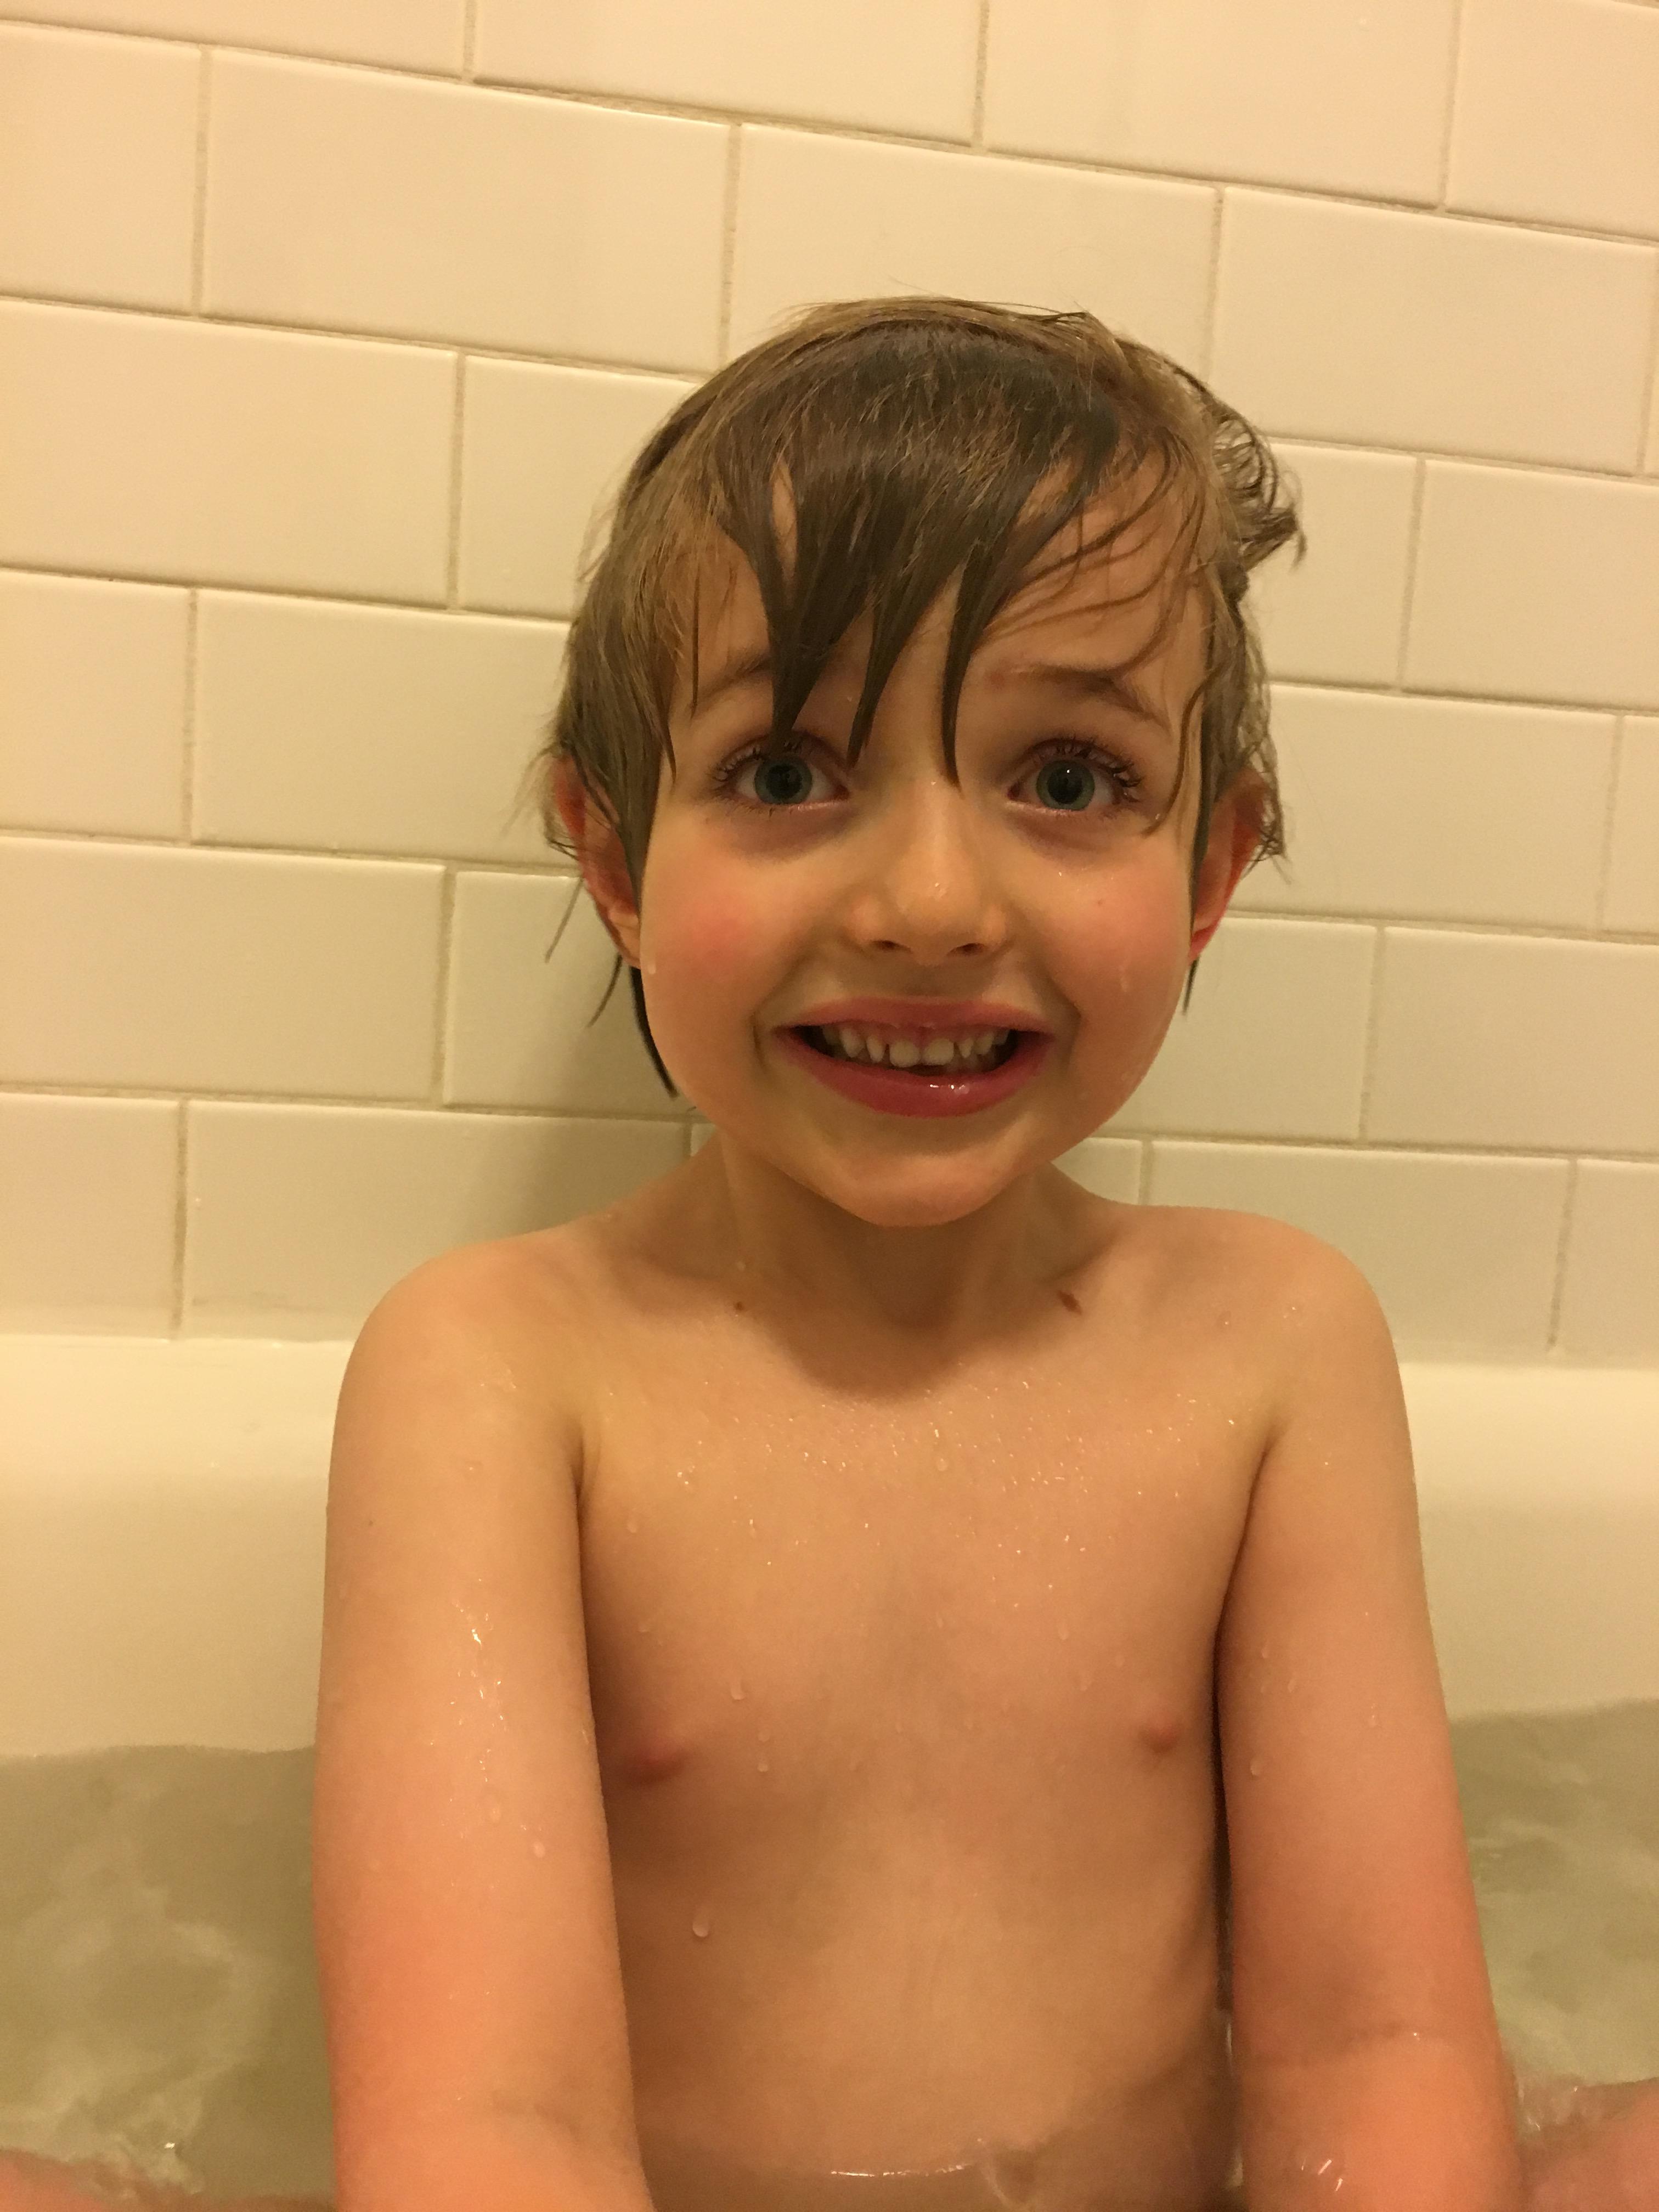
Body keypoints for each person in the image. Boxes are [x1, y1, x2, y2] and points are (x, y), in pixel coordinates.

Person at [5, 298, 1656, 2212]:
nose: (932, 903)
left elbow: (1369, 2050)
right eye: (789, 773)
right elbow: (490, 2124)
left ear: (1210, 868)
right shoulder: (503, 1374)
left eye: (1069, 778)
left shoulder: (1273, 1348)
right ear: (615, 860)